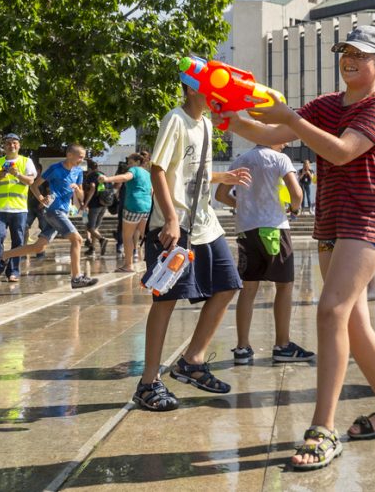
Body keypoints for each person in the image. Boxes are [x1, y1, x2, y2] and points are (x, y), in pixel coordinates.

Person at [225, 24, 375, 471]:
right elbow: (274, 135)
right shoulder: (324, 105)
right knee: (355, 322)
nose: (349, 58)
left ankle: (322, 427)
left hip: (368, 214)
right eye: (345, 51)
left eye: (360, 55)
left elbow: (344, 151)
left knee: (330, 312)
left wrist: (291, 119)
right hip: (332, 216)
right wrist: (229, 115)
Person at [133, 80, 252, 413]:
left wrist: (220, 178)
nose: (215, 93)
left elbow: (190, 171)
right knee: (166, 299)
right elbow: (158, 170)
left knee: (228, 285)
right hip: (175, 225)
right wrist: (171, 219)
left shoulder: (206, 124)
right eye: (208, 86)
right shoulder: (176, 118)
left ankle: (192, 361)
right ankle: (147, 383)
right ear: (190, 88)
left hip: (205, 222)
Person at [215, 143, 314, 364]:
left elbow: (221, 194)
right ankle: (283, 345)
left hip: (245, 229)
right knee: (284, 286)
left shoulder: (240, 160)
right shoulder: (280, 159)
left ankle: (242, 348)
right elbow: (296, 193)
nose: (287, 143)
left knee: (248, 287)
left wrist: (241, 206)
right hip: (274, 228)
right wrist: (295, 209)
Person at [0, 144, 100, 288]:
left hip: (63, 211)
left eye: (83, 157)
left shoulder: (78, 171)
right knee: (77, 240)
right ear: (69, 155)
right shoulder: (55, 168)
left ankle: (1, 256)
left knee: (38, 247)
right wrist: (42, 198)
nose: (81, 160)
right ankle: (76, 277)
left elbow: (81, 195)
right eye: (79, 157)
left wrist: (76, 190)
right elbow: (34, 185)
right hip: (54, 211)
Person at [0, 133, 36, 282]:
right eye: (8, 143)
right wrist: (0, 176)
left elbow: (31, 181)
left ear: (19, 145)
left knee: (18, 241)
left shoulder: (26, 161)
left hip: (19, 210)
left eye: (15, 143)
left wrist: (17, 174)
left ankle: (13, 271)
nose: (11, 145)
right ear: (4, 146)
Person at [97, 153, 152, 273]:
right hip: (147, 206)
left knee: (127, 236)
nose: (128, 165)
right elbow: (151, 190)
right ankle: (153, 261)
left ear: (137, 162)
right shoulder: (148, 174)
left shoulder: (135, 170)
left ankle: (128, 265)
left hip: (133, 205)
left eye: (130, 162)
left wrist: (107, 179)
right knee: (146, 236)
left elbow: (125, 177)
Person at [82, 160, 111, 255]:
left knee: (90, 227)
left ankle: (102, 239)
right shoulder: (103, 174)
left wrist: (85, 204)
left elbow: (93, 188)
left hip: (94, 204)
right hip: (104, 204)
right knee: (95, 228)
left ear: (89, 168)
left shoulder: (91, 175)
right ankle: (92, 248)